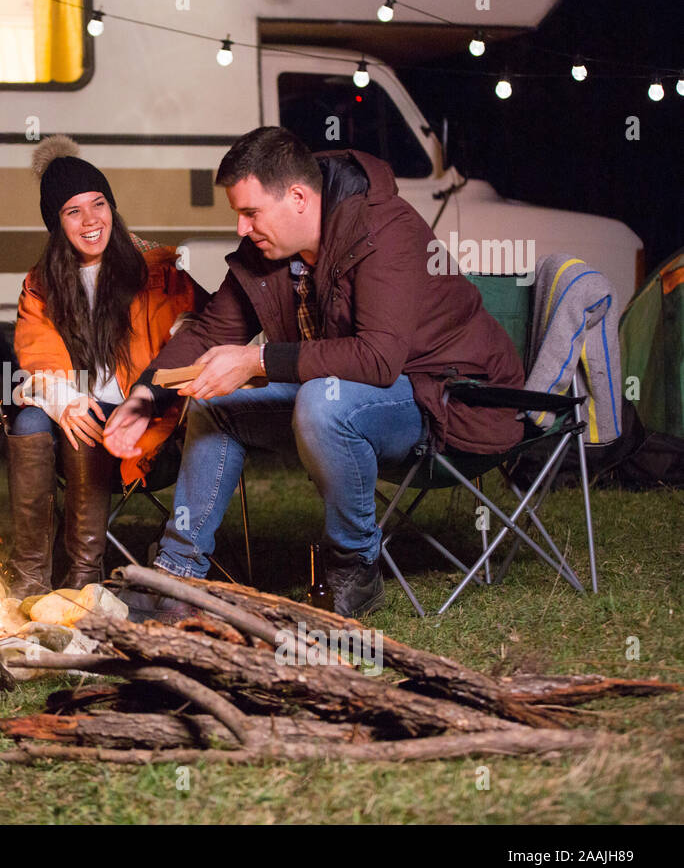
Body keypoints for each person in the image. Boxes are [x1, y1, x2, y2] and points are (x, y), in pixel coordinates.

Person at [104, 126, 525, 616]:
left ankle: (355, 566)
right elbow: (210, 331)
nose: (242, 228)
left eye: (250, 213)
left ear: (299, 197)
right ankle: (176, 577)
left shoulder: (386, 231)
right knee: (216, 404)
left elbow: (378, 358)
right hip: (357, 398)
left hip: (451, 398)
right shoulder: (270, 250)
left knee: (322, 401)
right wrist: (145, 396)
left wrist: (257, 360)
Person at [6, 136, 207, 598]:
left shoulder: (155, 270)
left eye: (99, 204)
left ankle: (82, 572)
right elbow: (39, 354)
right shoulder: (42, 285)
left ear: (112, 208)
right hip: (75, 424)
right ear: (56, 224)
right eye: (73, 211)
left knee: (84, 416)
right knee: (30, 419)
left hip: (147, 431)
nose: (91, 220)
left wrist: (184, 334)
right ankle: (31, 577)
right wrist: (65, 400)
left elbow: (212, 324)